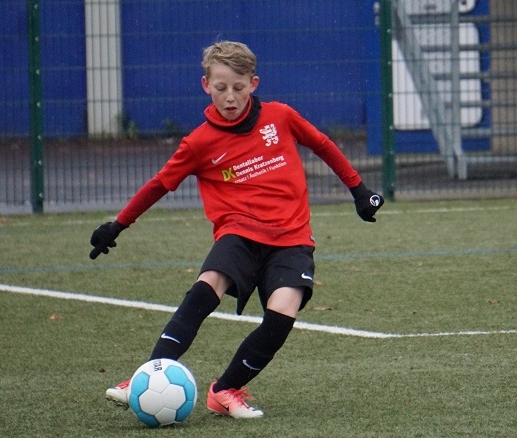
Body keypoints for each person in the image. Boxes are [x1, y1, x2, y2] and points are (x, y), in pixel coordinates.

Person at [89, 40, 384, 419]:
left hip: (292, 238)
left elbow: (323, 145)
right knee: (208, 284)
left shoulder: (280, 117)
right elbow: (160, 184)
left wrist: (359, 190)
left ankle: (225, 391)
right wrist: (118, 225)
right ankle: (146, 376)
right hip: (239, 233)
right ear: (205, 85)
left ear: (253, 84)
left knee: (283, 313)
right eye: (221, 87)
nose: (230, 97)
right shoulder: (199, 142)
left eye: (238, 88)